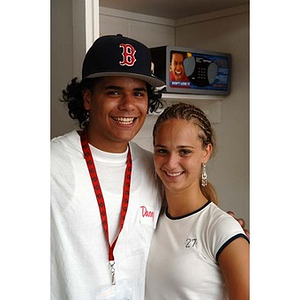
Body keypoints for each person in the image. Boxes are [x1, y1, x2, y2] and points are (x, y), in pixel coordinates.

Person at [51, 34, 248, 300]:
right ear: (88, 98)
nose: (128, 104)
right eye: (113, 91)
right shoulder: (51, 162)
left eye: (138, 93)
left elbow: (189, 220)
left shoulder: (151, 165)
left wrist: (227, 232)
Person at [145, 102, 250, 300]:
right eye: (162, 151)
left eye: (184, 151)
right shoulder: (150, 220)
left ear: (206, 152)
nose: (170, 163)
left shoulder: (222, 229)